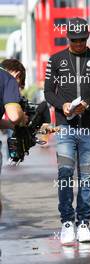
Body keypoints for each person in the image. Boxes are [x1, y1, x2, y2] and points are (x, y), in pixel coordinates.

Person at [44, 17, 90, 244]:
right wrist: (60, 105)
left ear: (87, 37)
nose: (79, 44)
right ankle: (66, 222)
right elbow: (48, 92)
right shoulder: (55, 60)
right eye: (75, 40)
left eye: (82, 40)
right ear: (67, 38)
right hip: (64, 126)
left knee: (86, 177)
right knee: (64, 175)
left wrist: (89, 103)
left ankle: (83, 223)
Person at [0, 59, 27, 214]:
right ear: (17, 75)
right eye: (20, 86)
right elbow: (14, 115)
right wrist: (22, 118)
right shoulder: (8, 79)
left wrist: (11, 126)